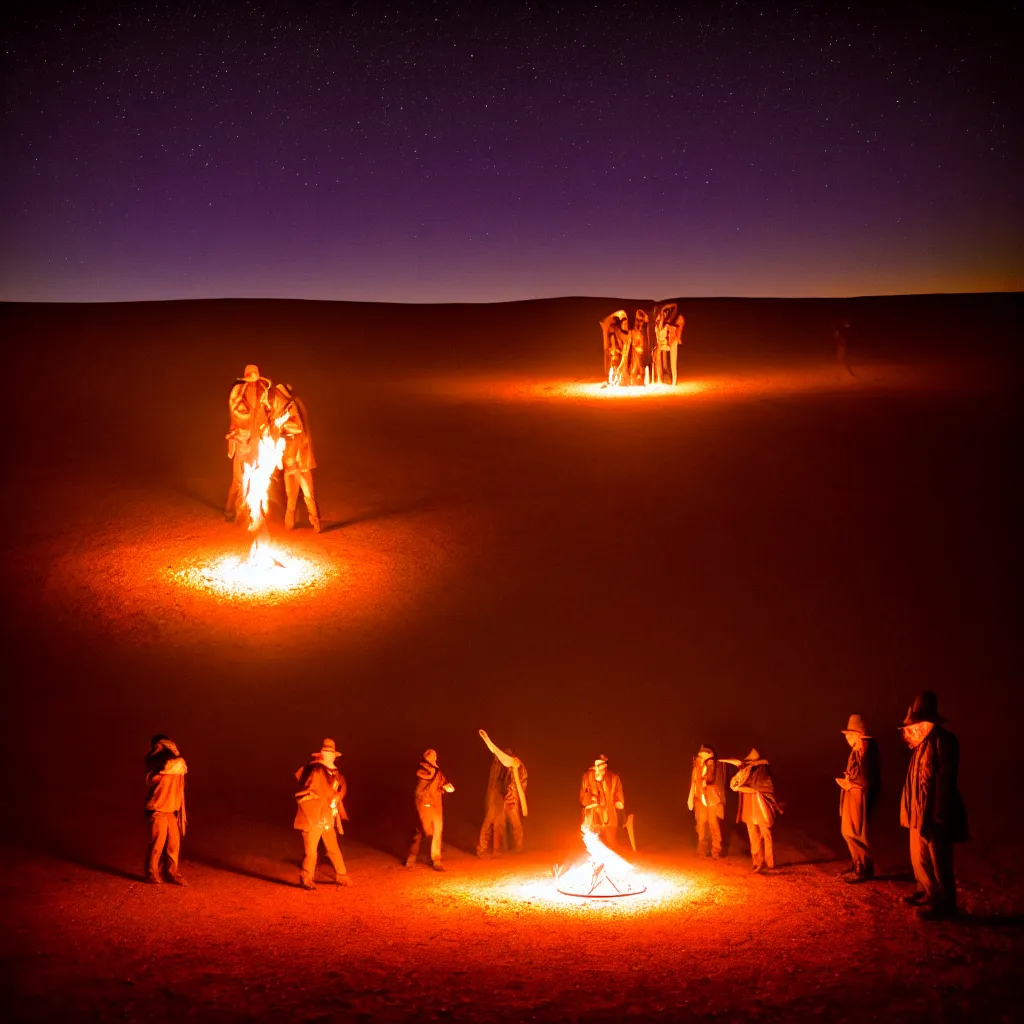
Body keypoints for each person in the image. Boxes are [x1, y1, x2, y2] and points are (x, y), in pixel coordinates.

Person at [899, 691, 968, 920]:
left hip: (937, 815)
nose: (915, 726)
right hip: (920, 813)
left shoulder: (944, 742)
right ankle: (930, 895)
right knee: (922, 858)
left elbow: (944, 783)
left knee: (940, 862)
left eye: (919, 720)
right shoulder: (922, 743)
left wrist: (937, 816)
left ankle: (947, 906)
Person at [294, 738, 351, 890]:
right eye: (327, 753)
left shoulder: (336, 773)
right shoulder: (315, 770)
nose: (330, 756)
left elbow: (342, 786)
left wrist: (338, 796)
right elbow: (306, 784)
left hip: (327, 819)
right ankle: (306, 879)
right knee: (311, 852)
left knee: (333, 848)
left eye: (332, 754)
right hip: (312, 819)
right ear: (321, 755)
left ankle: (342, 876)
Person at [269, 382, 321, 532]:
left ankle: (315, 522)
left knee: (307, 493)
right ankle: (289, 525)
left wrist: (280, 426)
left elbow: (297, 427)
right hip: (291, 460)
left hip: (301, 461)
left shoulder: (292, 407)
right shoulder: (287, 409)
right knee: (291, 496)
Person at [836, 714, 881, 883]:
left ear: (858, 735)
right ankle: (857, 864)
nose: (847, 737)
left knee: (856, 832)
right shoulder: (857, 751)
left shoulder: (867, 752)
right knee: (847, 831)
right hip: (852, 793)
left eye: (849, 734)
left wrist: (851, 783)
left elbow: (867, 779)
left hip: (859, 796)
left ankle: (864, 869)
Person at [225, 364, 272, 522]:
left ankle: (252, 511)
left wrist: (265, 426)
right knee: (239, 480)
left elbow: (266, 412)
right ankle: (231, 509)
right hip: (242, 440)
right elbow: (235, 409)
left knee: (256, 475)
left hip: (257, 441)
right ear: (245, 374)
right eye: (250, 373)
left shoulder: (262, 389)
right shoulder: (238, 390)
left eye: (256, 373)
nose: (253, 376)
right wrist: (249, 417)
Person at [725, 749, 780, 872]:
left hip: (761, 806)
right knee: (753, 835)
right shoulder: (744, 771)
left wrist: (743, 787)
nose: (747, 763)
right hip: (749, 807)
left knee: (766, 834)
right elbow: (733, 785)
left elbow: (758, 787)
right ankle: (757, 862)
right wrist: (740, 776)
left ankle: (769, 862)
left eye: (749, 762)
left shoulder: (762, 770)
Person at [476, 729, 528, 857]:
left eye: (510, 753)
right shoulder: (497, 764)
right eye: (505, 753)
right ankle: (484, 849)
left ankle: (516, 847)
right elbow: (495, 751)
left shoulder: (518, 767)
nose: (507, 755)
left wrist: (514, 794)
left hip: (511, 797)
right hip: (497, 797)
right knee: (492, 822)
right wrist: (487, 739)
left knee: (515, 823)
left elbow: (522, 782)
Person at [145, 735, 188, 885]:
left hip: (171, 811)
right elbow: (153, 777)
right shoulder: (157, 768)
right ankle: (152, 873)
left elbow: (179, 788)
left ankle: (171, 873)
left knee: (173, 845)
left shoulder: (178, 767)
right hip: (158, 809)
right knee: (157, 843)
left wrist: (178, 810)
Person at [406, 749, 455, 871]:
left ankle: (436, 860)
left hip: (436, 803)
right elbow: (421, 787)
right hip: (425, 803)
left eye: (435, 755)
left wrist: (446, 786)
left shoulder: (437, 770)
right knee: (422, 830)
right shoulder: (425, 769)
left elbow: (440, 783)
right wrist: (425, 801)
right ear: (426, 757)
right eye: (431, 755)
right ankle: (411, 857)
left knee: (438, 830)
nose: (435, 757)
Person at [687, 744, 726, 858]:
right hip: (700, 800)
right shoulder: (697, 767)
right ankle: (702, 851)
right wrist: (690, 798)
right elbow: (694, 783)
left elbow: (714, 781)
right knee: (701, 825)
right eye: (701, 755)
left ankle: (716, 851)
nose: (702, 757)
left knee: (714, 825)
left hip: (712, 800)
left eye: (705, 755)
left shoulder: (715, 765)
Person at [580, 754, 625, 848]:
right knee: (593, 841)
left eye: (599, 765)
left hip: (608, 814)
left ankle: (610, 859)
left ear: (605, 766)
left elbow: (618, 792)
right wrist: (589, 802)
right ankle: (594, 861)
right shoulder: (587, 777)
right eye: (595, 765)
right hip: (592, 816)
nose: (596, 768)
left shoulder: (614, 778)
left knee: (610, 841)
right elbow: (583, 794)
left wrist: (618, 801)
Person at [653, 302, 685, 385]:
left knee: (673, 363)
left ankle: (674, 382)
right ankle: (665, 378)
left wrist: (666, 307)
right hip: (664, 344)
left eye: (665, 313)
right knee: (664, 363)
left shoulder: (670, 320)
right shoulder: (659, 324)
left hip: (673, 341)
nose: (664, 315)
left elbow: (675, 307)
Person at [599, 309, 629, 383]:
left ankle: (616, 378)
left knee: (616, 363)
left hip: (617, 350)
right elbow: (612, 339)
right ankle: (613, 378)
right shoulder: (613, 329)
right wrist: (614, 348)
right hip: (614, 350)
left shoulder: (617, 330)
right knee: (614, 363)